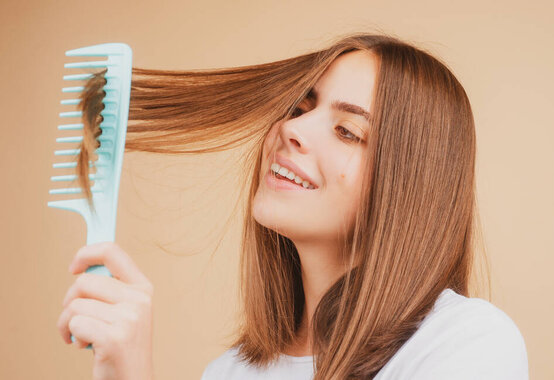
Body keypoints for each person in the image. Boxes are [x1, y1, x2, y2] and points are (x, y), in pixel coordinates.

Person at [56, 33, 529, 379]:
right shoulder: (228, 373)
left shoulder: (467, 344)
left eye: (348, 131)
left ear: (410, 185)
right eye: (301, 108)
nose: (291, 129)